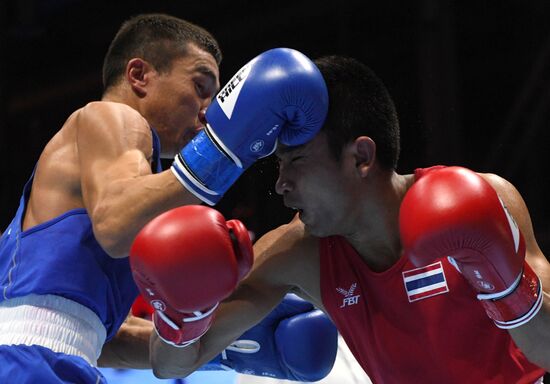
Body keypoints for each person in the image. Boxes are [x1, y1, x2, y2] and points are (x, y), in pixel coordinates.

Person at [138, 55, 550, 383]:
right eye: (279, 166)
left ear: (362, 158)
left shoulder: (485, 198)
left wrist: (508, 286)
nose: (282, 184)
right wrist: (181, 313)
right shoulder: (300, 252)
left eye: (295, 160)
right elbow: (171, 364)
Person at [0, 11, 329, 383]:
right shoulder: (112, 117)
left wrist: (216, 343)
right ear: (139, 75)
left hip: (46, 363)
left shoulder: (123, 182)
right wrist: (224, 151)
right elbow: (115, 225)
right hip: (29, 363)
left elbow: (103, 341)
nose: (208, 112)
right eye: (200, 87)